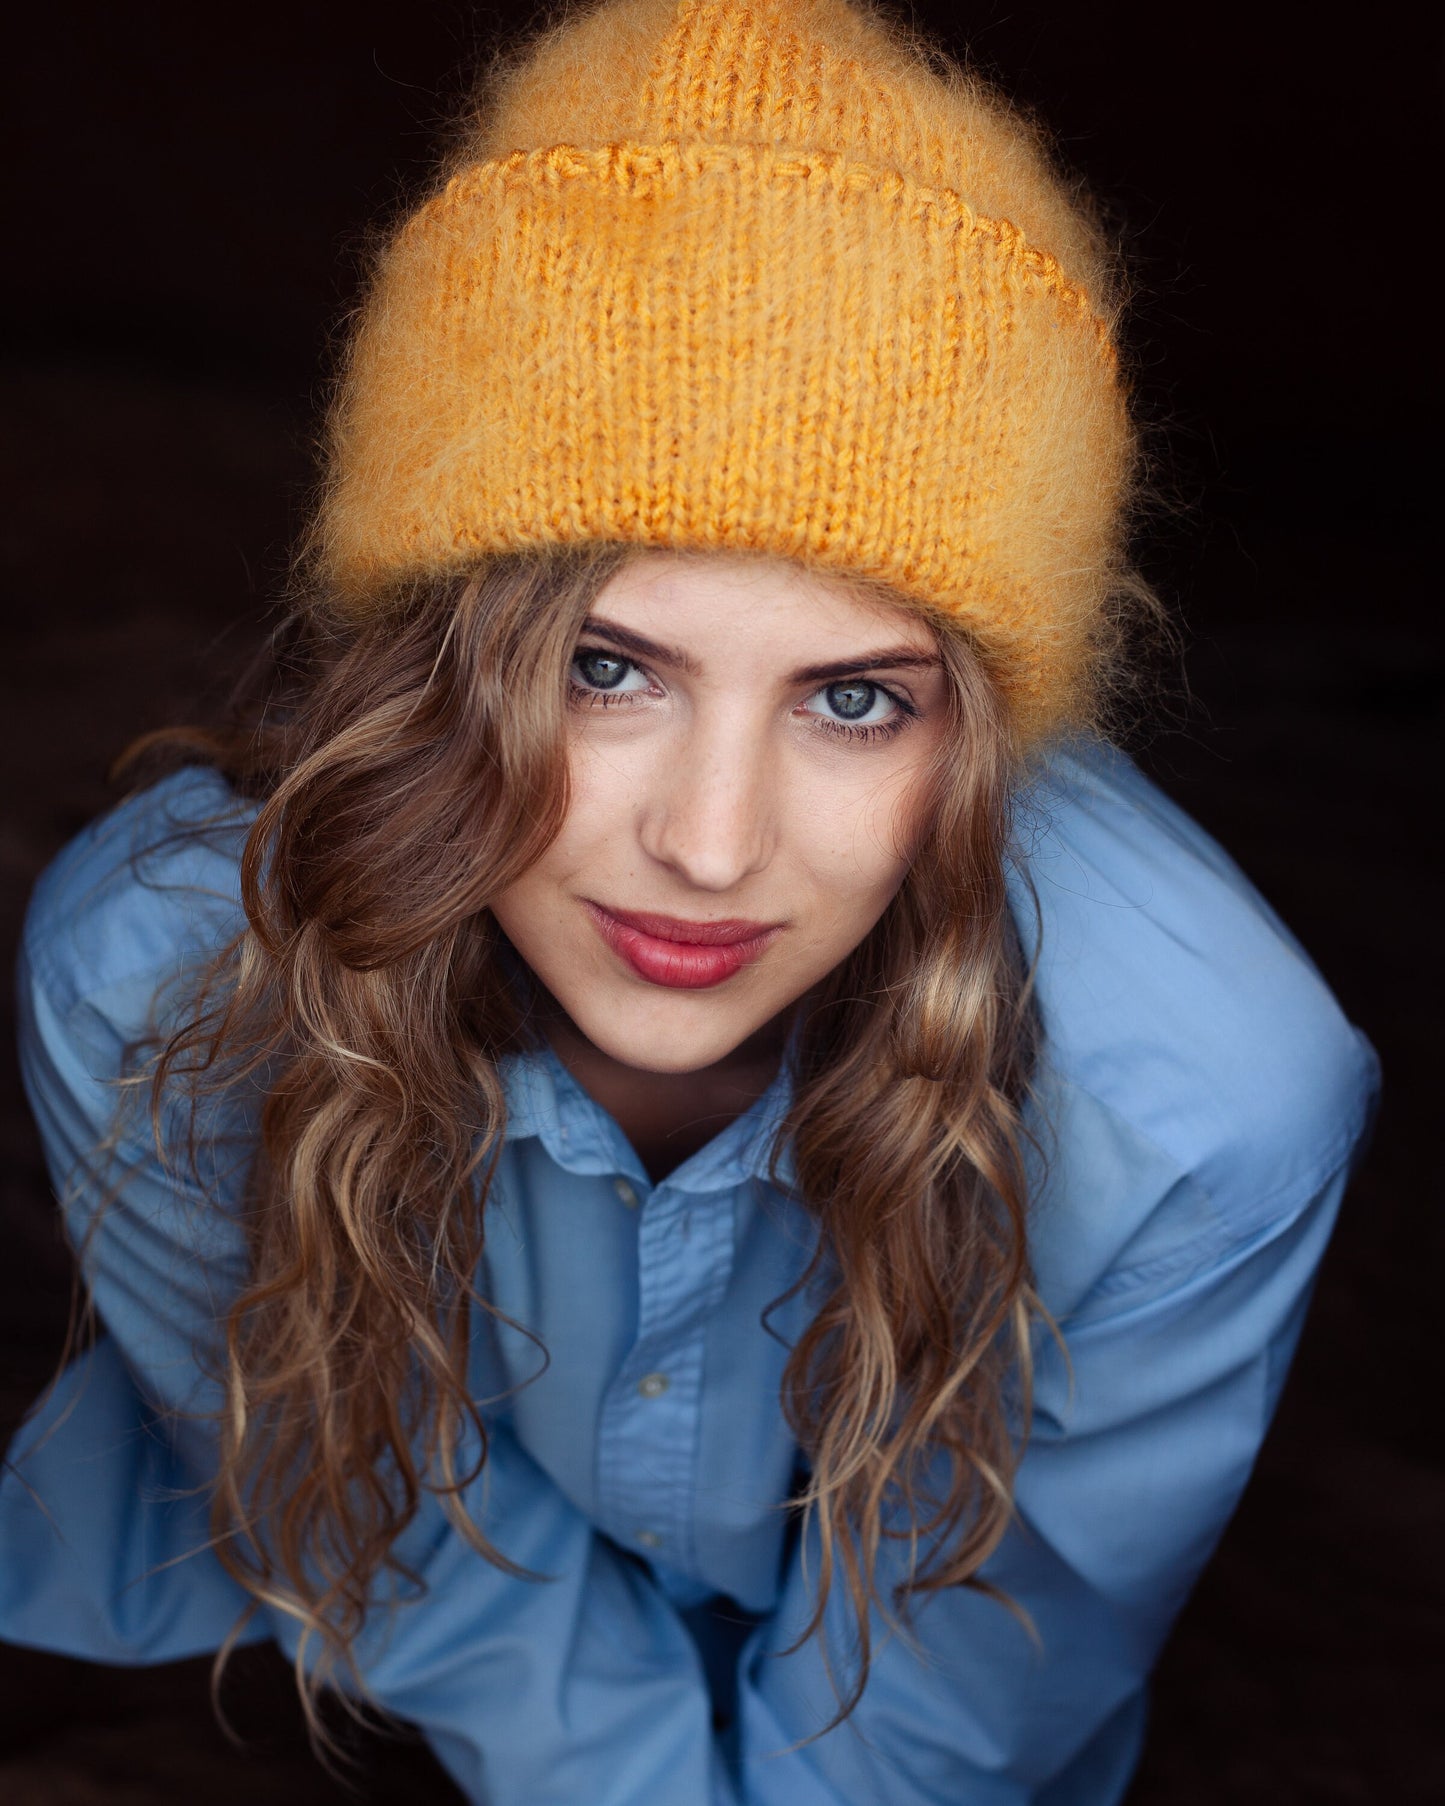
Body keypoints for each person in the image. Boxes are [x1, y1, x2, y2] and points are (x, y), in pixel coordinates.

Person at [0, 1, 1379, 1801]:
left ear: (986, 731)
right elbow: (401, 1557)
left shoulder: (1201, 1102)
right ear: (439, 658)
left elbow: (974, 1688)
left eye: (855, 696)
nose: (711, 847)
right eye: (604, 666)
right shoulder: (154, 969)